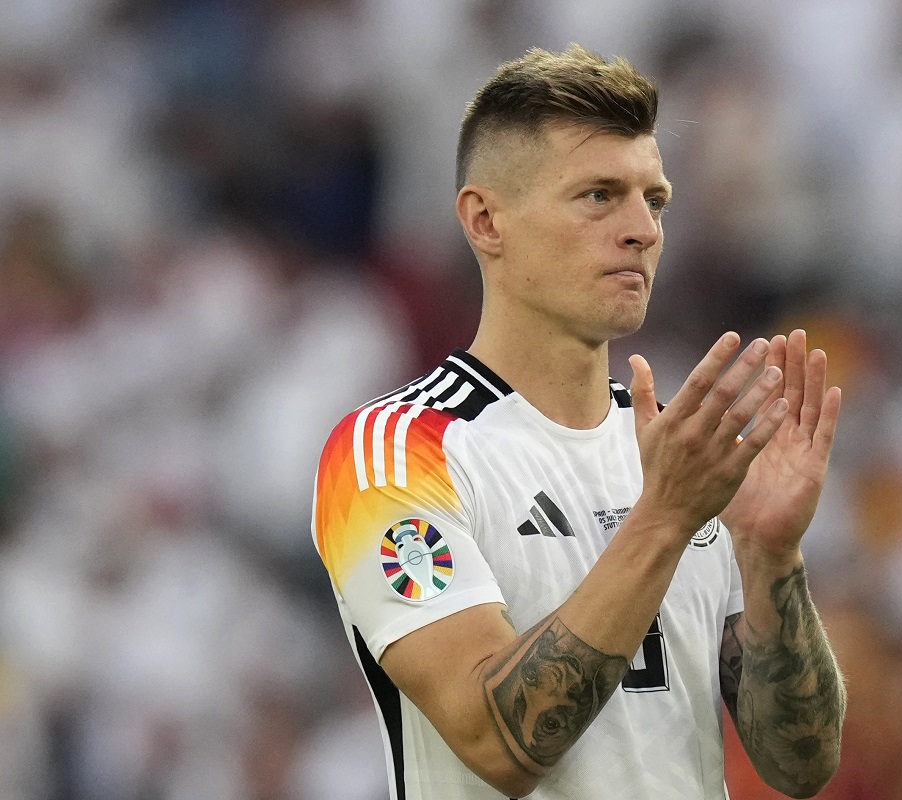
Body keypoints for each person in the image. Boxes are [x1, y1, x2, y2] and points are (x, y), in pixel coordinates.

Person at [312, 44, 845, 800]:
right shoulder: (393, 453)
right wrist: (664, 518)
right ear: (487, 220)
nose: (643, 230)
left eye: (653, 200)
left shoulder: (678, 450)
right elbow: (497, 744)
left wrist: (770, 555)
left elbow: (799, 764)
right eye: (599, 195)